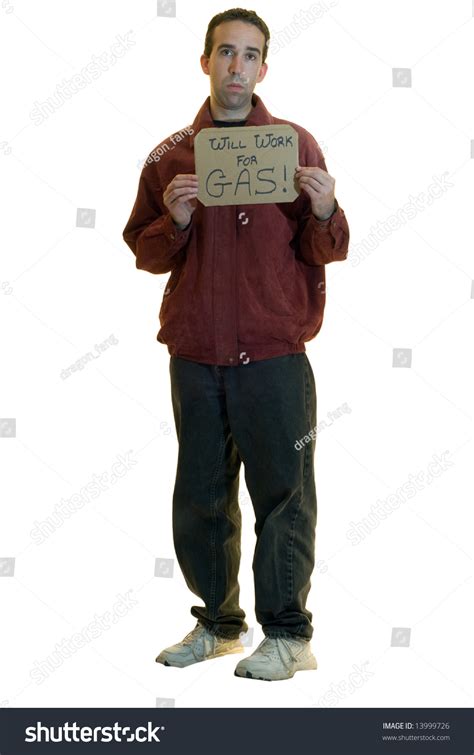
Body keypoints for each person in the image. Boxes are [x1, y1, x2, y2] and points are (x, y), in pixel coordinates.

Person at [122, 7, 350, 682]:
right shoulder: (171, 155)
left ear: (263, 68)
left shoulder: (295, 145)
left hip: (275, 354)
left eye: (250, 55)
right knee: (200, 492)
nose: (237, 67)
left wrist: (326, 209)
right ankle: (218, 625)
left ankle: (288, 634)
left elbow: (325, 247)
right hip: (195, 354)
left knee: (285, 494)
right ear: (205, 62)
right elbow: (143, 250)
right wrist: (176, 218)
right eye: (226, 53)